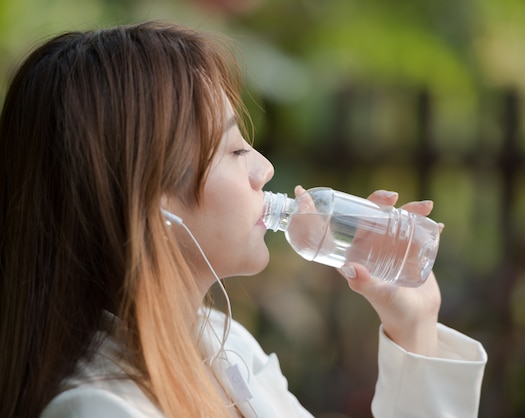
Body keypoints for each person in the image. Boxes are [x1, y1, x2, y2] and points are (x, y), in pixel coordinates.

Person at [0, 21, 487, 417]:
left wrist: (414, 326)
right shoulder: (100, 409)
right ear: (151, 198)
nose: (264, 168)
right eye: (234, 148)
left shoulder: (227, 347)